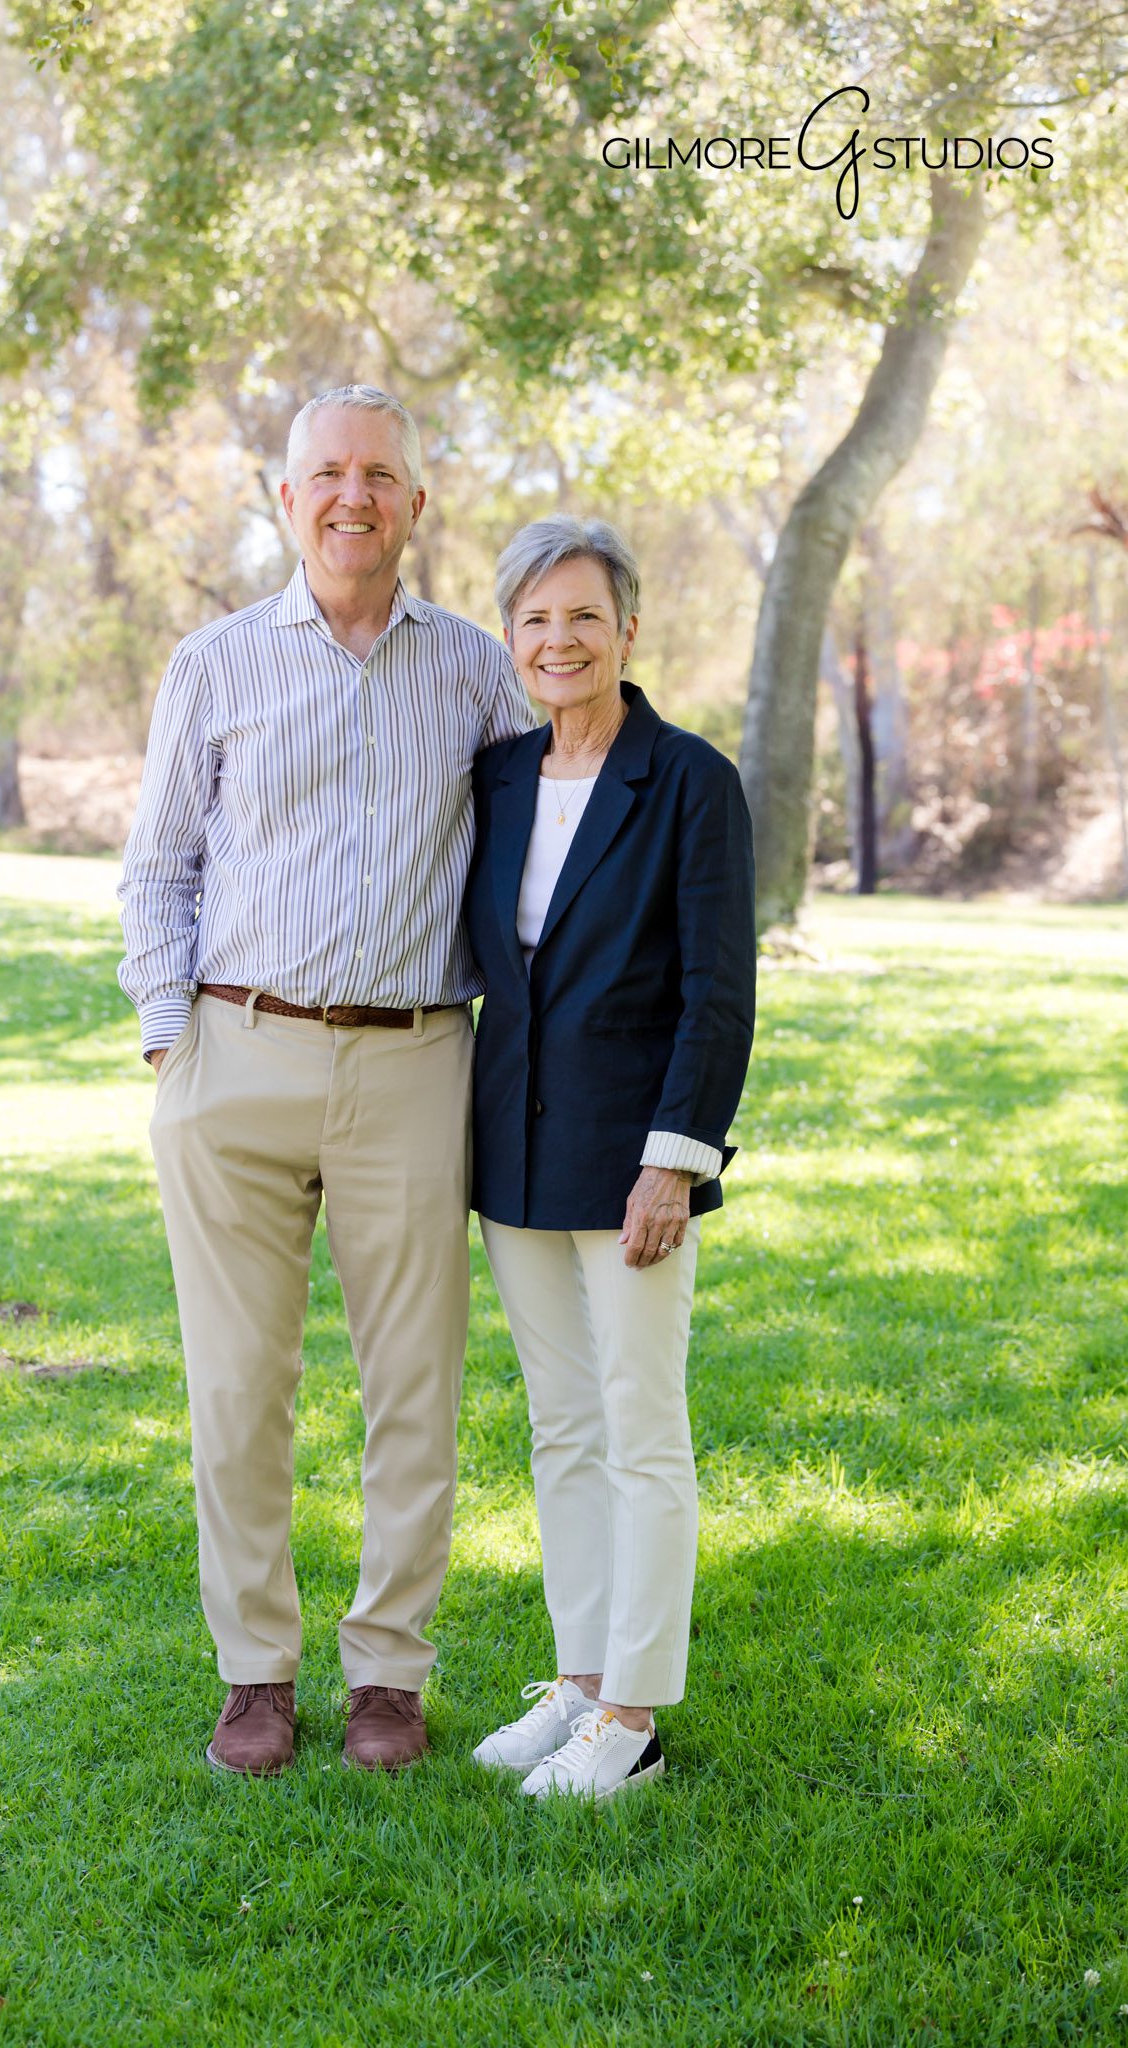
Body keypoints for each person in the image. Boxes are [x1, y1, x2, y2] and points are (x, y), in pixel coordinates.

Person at [118, 385, 534, 1776]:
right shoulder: (215, 664)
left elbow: (545, 849)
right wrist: (174, 1040)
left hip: (416, 1061)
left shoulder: (479, 672)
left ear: (415, 501)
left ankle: (388, 1679)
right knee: (238, 1391)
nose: (352, 496)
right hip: (234, 1062)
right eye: (325, 475)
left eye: (379, 473)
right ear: (284, 499)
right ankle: (255, 1672)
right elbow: (158, 864)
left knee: (412, 1385)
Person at [463, 515, 756, 1800]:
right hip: (515, 1151)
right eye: (533, 619)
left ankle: (632, 1715)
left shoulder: (691, 780)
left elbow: (717, 991)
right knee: (562, 1429)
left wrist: (673, 1162)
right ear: (511, 639)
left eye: (582, 615)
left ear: (628, 629)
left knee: (643, 1432)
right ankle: (579, 1679)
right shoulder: (500, 777)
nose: (557, 639)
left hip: (634, 1158)